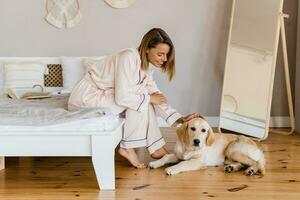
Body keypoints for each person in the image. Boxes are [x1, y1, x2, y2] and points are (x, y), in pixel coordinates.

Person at [68, 28, 203, 168]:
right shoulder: (128, 57)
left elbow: (158, 97)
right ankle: (136, 147)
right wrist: (149, 98)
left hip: (104, 96)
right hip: (86, 97)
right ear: (147, 49)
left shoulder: (146, 69)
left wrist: (180, 118)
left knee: (146, 96)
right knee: (144, 96)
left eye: (166, 55)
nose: (164, 59)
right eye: (160, 54)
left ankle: (154, 147)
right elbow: (122, 98)